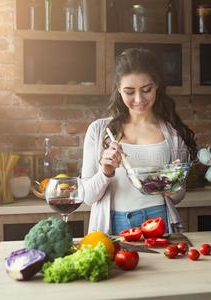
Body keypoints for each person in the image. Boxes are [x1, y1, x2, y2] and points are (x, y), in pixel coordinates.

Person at [81, 48, 197, 235]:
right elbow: (87, 197)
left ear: (157, 85)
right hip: (113, 225)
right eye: (129, 91)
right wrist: (105, 172)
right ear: (118, 89)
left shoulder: (173, 134)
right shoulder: (99, 131)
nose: (139, 99)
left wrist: (174, 185)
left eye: (146, 90)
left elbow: (177, 197)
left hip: (160, 221)